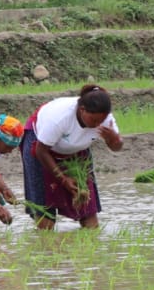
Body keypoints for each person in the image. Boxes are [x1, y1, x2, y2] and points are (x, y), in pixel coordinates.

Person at [20, 84, 123, 230]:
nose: (97, 125)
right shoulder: (59, 118)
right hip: (41, 148)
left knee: (88, 212)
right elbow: (40, 151)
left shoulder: (105, 120)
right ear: (82, 110)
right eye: (94, 120)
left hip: (76, 152)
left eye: (101, 121)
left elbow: (117, 148)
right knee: (45, 214)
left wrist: (114, 139)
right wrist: (63, 179)